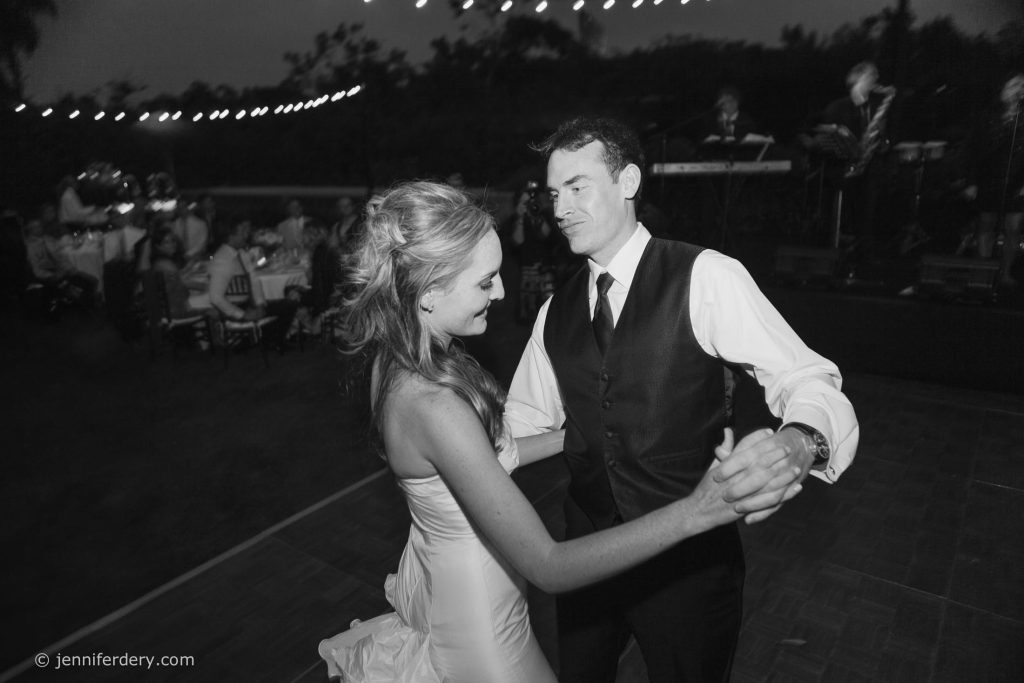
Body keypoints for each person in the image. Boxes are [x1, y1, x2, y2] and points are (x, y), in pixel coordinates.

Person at [317, 181, 801, 682]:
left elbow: (479, 461)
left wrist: (579, 435)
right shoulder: (435, 405)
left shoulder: (397, 364)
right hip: (484, 634)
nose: (502, 292)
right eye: (485, 282)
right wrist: (696, 512)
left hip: (458, 596)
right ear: (428, 292)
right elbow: (548, 565)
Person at [504, 117, 860, 682]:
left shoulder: (707, 276)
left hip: (689, 568)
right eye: (554, 193)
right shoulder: (556, 310)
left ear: (627, 182)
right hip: (588, 556)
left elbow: (809, 377)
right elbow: (523, 421)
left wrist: (801, 441)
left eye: (577, 186)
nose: (560, 207)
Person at [820, 61, 897, 253]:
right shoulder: (837, 107)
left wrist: (883, 140)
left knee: (868, 213)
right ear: (860, 78)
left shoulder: (875, 107)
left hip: (870, 168)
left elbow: (884, 140)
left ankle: (864, 251)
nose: (876, 80)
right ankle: (836, 248)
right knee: (840, 214)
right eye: (872, 76)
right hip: (841, 169)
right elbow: (826, 140)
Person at [965, 72, 1024, 288]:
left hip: (1018, 180)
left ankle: (1006, 272)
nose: (1019, 92)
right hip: (990, 177)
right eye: (1016, 88)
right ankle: (982, 272)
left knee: (1013, 228)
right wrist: (971, 182)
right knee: (986, 224)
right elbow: (974, 150)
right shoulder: (988, 116)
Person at [208, 217, 297, 349]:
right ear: (231, 235)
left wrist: (260, 303)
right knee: (287, 305)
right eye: (243, 231)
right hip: (236, 309)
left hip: (249, 304)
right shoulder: (222, 260)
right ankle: (269, 341)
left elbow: (254, 280)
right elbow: (215, 297)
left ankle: (266, 339)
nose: (247, 235)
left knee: (289, 302)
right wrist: (243, 315)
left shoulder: (241, 253)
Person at [499, 181, 557, 323]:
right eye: (525, 203)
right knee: (528, 312)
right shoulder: (513, 221)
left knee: (550, 311)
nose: (529, 205)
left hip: (545, 270)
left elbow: (548, 235)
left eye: (531, 202)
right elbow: (517, 241)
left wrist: (537, 216)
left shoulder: (543, 216)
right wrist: (520, 218)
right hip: (525, 271)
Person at [149, 226, 210, 318]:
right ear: (158, 246)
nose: (172, 244)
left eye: (173, 241)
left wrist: (190, 268)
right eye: (167, 242)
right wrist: (208, 286)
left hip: (172, 306)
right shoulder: (164, 264)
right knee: (214, 301)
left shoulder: (160, 262)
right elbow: (184, 283)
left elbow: (178, 278)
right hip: (177, 310)